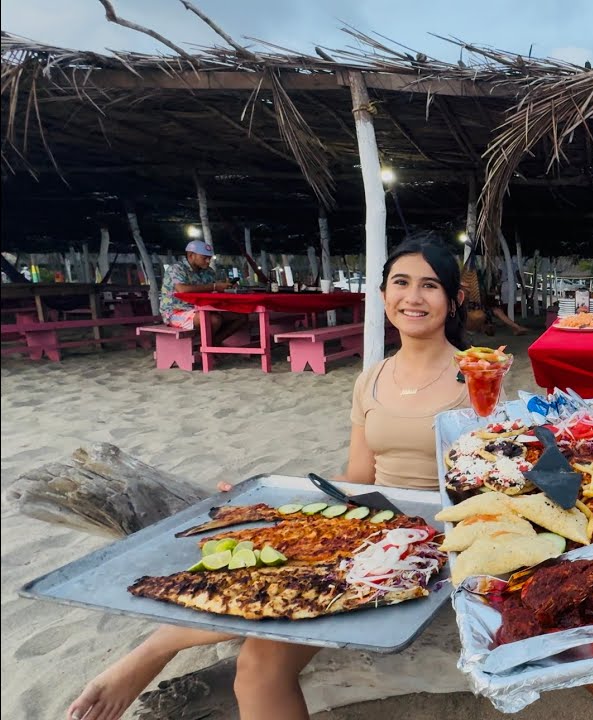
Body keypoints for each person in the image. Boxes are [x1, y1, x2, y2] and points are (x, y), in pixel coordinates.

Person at [66, 234, 471, 720]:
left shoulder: (477, 375)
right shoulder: (372, 378)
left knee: (277, 604)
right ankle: (154, 651)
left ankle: (152, 651)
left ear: (453, 300)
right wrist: (261, 505)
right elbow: (360, 475)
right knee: (257, 662)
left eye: (430, 286)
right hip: (369, 527)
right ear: (383, 294)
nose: (413, 297)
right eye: (401, 283)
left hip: (437, 540)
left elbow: (485, 480)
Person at [160, 240, 247, 344]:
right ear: (191, 255)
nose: (207, 261)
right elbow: (182, 289)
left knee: (241, 317)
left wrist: (226, 286)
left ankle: (212, 344)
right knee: (213, 320)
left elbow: (214, 289)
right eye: (204, 258)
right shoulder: (176, 269)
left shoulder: (208, 271)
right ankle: (207, 349)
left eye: (209, 258)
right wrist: (215, 286)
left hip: (205, 309)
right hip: (176, 312)